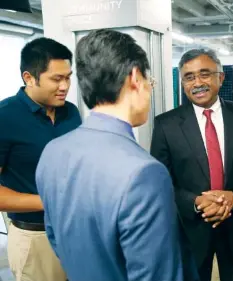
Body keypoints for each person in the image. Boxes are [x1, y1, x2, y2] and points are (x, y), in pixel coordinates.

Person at [36, 29, 183, 281]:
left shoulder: (53, 151)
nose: (150, 90)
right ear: (135, 78)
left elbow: (55, 237)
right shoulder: (144, 172)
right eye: (151, 82)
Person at [150, 48, 233, 281]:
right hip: (190, 228)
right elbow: (160, 181)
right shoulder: (166, 124)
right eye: (189, 77)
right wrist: (196, 202)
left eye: (205, 74)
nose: (197, 83)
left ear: (221, 77)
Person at [0, 37, 81, 281]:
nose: (65, 86)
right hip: (36, 240)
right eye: (56, 79)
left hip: (76, 233)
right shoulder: (6, 117)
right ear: (29, 78)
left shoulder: (71, 112)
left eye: (68, 77)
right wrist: (48, 202)